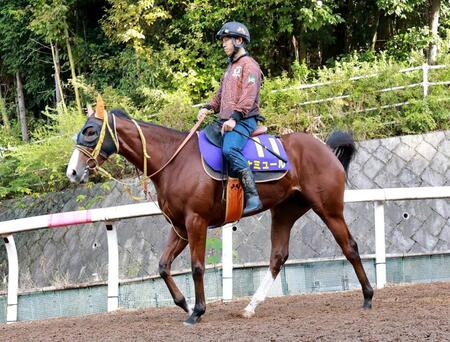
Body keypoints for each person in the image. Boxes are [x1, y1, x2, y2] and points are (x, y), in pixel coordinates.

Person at [197, 21, 263, 216]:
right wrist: (208, 107)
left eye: (227, 40)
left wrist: (235, 118)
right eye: (223, 40)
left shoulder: (249, 65)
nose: (223, 44)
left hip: (244, 120)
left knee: (229, 149)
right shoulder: (229, 68)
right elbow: (220, 95)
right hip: (225, 120)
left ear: (239, 41)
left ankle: (253, 196)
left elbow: (249, 95)